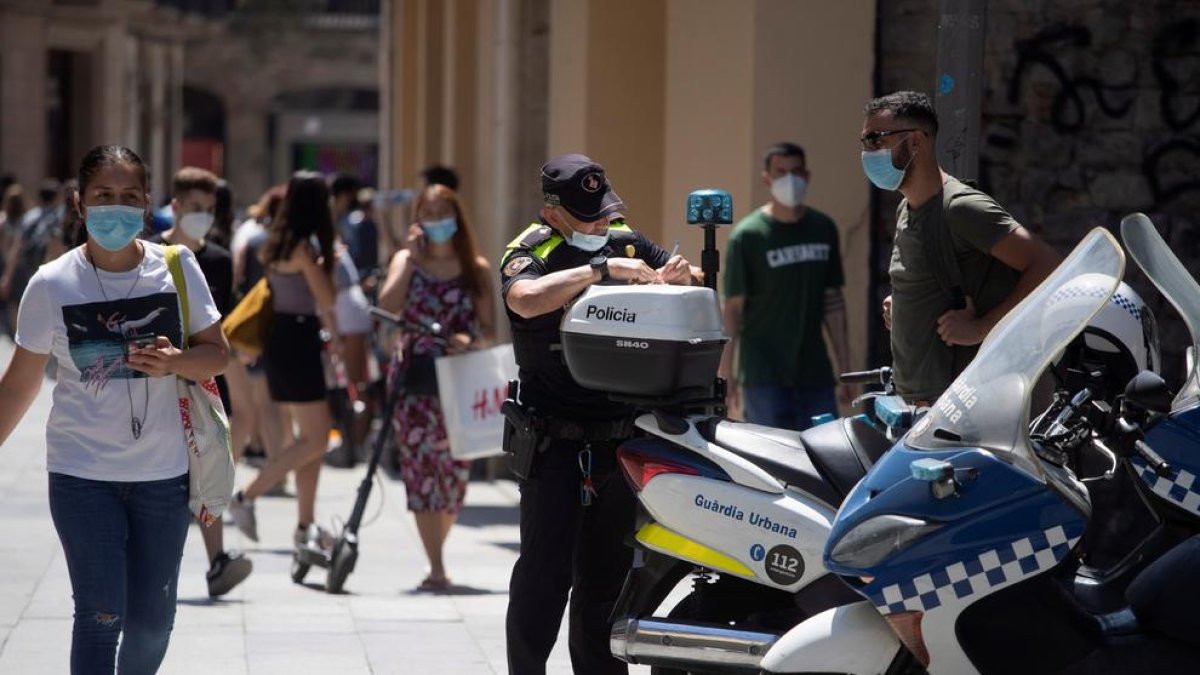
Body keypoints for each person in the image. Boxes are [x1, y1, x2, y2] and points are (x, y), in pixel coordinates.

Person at [0, 145, 229, 673]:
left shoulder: (176, 267)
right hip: (81, 475)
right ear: (81, 203)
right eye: (103, 195)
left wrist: (175, 361)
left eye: (129, 196)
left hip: (162, 476)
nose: (115, 207)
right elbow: (18, 385)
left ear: (148, 205)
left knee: (152, 624)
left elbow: (216, 356)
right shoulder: (51, 284)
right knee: (100, 615)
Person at [501, 154, 699, 674]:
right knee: (544, 580)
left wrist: (681, 274)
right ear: (553, 214)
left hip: (618, 443)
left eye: (604, 211)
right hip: (554, 443)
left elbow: (692, 279)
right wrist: (598, 270)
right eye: (587, 216)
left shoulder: (625, 238)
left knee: (606, 583)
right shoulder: (532, 250)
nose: (600, 225)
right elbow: (523, 300)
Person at [864, 91, 1061, 404]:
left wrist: (980, 328)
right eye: (865, 142)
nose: (868, 152)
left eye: (877, 140)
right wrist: (901, 304)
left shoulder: (960, 208)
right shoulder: (907, 208)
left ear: (915, 141)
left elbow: (1047, 265)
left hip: (970, 406)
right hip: (920, 405)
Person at [377, 184, 496, 591]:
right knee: (421, 470)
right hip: (415, 377)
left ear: (457, 217)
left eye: (444, 212)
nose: (438, 220)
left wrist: (470, 342)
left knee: (454, 477)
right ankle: (437, 566)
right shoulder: (407, 261)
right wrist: (409, 258)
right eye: (429, 213)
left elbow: (488, 330)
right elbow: (387, 306)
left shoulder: (474, 267)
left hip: (459, 380)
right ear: (418, 221)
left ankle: (435, 554)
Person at [149, 167, 252, 597]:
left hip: (204, 377)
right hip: (154, 379)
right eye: (194, 208)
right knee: (165, 474)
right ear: (174, 206)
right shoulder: (151, 254)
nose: (202, 217)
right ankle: (157, 565)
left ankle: (216, 561)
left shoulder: (220, 260)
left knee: (209, 465)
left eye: (209, 210)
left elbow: (218, 327)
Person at [227, 171, 339, 558]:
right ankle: (246, 495)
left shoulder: (277, 243)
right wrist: (330, 267)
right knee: (317, 438)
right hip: (298, 340)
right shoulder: (304, 250)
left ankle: (304, 525)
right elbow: (327, 298)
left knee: (310, 441)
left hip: (283, 339)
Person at [719, 142, 852, 430]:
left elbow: (833, 301)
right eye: (781, 172)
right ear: (766, 177)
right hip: (763, 376)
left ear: (807, 175)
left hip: (815, 373)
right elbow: (733, 309)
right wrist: (725, 374)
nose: (789, 180)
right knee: (772, 463)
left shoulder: (823, 228)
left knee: (826, 458)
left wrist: (846, 367)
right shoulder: (748, 236)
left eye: (796, 171)